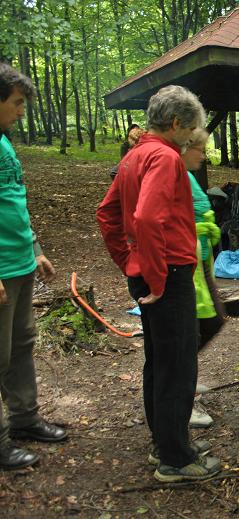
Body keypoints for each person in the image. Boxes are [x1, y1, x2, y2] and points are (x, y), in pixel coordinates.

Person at [96, 85, 220, 482]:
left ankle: (164, 442)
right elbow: (148, 219)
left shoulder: (134, 156)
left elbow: (107, 214)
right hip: (170, 276)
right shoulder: (164, 157)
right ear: (176, 123)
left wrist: (128, 262)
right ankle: (176, 460)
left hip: (149, 273)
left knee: (160, 362)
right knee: (179, 366)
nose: (190, 140)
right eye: (191, 130)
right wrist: (157, 276)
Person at [0, 63, 68, 471]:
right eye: (17, 103)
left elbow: (12, 203)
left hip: (20, 262)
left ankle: (24, 420)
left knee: (21, 345)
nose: (23, 110)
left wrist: (36, 247)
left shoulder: (5, 142)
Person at [180, 128, 225, 428]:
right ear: (185, 147)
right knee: (188, 333)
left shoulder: (185, 173)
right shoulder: (170, 171)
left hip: (200, 259)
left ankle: (186, 379)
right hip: (184, 262)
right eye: (200, 148)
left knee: (212, 321)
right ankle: (182, 400)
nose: (204, 155)